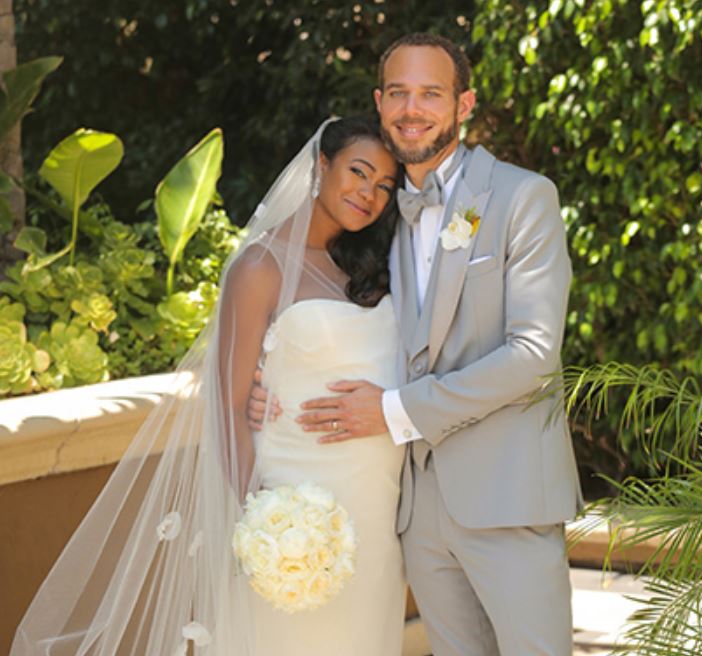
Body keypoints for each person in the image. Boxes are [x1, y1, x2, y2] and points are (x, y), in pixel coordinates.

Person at [10, 116, 407, 656]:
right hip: (297, 508)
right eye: (359, 172)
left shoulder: (368, 269)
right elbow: (229, 403)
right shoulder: (260, 268)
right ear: (321, 165)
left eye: (385, 186)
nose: (371, 193)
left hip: (376, 508)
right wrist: (257, 520)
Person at [253, 34, 584, 655]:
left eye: (431, 93)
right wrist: (261, 386)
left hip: (506, 500)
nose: (413, 108)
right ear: (379, 105)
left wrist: (391, 411)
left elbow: (535, 355)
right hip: (413, 512)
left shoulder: (523, 197)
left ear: (464, 105)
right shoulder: (378, 214)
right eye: (399, 93)